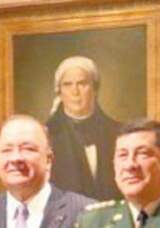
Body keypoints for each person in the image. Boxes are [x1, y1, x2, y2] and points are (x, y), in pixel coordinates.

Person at [46, 56, 122, 202]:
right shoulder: (46, 136)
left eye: (82, 84)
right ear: (59, 91)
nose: (75, 91)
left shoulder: (118, 133)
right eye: (67, 85)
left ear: (95, 89)